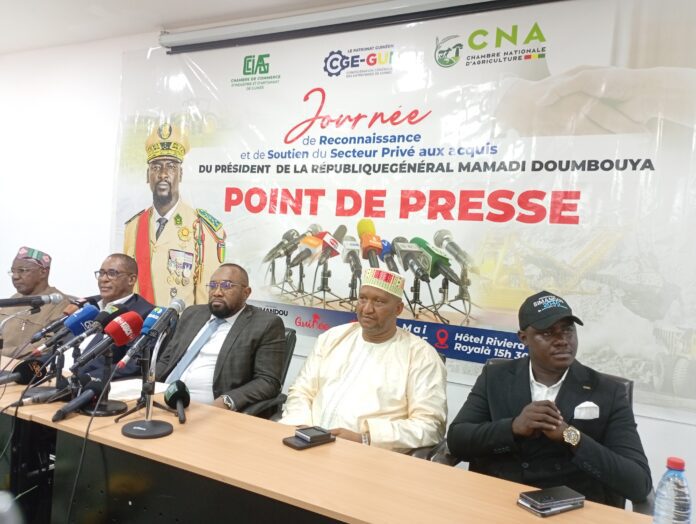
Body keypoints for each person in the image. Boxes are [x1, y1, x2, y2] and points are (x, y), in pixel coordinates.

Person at [447, 290, 652, 507]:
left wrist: (570, 436)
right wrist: (513, 427)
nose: (562, 341)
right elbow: (458, 440)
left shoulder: (608, 392)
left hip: (570, 508)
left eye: (568, 330)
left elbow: (638, 482)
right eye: (547, 333)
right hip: (499, 500)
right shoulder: (496, 377)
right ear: (523, 338)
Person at [279, 268, 447, 452]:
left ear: (398, 309)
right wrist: (301, 425)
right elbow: (302, 390)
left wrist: (366, 439)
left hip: (368, 455)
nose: (367, 309)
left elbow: (430, 425)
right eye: (362, 299)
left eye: (379, 302)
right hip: (305, 441)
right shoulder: (332, 337)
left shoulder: (421, 356)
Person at [155, 263, 286, 411]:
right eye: (212, 285)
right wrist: (148, 383)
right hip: (160, 398)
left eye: (226, 286)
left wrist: (228, 401)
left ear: (246, 292)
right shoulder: (192, 314)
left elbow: (268, 381)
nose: (217, 292)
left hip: (205, 409)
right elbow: (167, 358)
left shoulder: (266, 324)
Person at [123, 121, 227, 307]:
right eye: (156, 167)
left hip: (179, 323)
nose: (163, 174)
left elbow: (206, 296)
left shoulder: (202, 228)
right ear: (147, 175)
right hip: (138, 322)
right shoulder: (134, 226)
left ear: (181, 174)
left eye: (171, 166)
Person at [77, 254, 154, 379]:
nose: (103, 279)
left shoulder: (143, 314)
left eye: (112, 273)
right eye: (101, 273)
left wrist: (81, 378)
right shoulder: (89, 305)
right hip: (53, 371)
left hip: (86, 381)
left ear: (131, 280)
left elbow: (132, 364)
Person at [0, 246, 71, 358]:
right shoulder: (13, 299)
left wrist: (4, 354)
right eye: (13, 271)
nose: (15, 277)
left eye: (22, 270)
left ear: (43, 272)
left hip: (21, 366)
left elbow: (47, 345)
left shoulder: (60, 304)